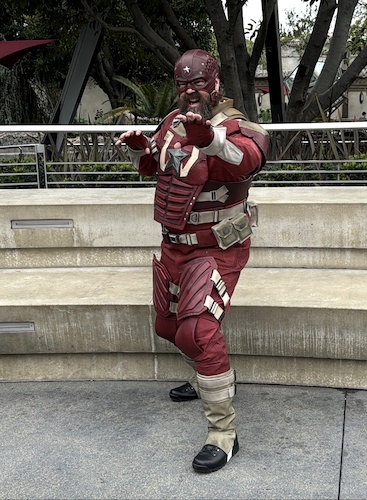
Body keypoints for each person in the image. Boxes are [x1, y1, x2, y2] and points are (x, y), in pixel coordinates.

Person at [116, 49, 268, 473]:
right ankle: (205, 377)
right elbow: (158, 167)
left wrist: (211, 141)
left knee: (198, 331)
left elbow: (249, 159)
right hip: (174, 245)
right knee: (168, 327)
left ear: (215, 83)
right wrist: (138, 151)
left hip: (218, 246)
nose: (190, 91)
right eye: (183, 85)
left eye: (198, 83)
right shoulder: (171, 122)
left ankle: (223, 434)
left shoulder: (239, 126)